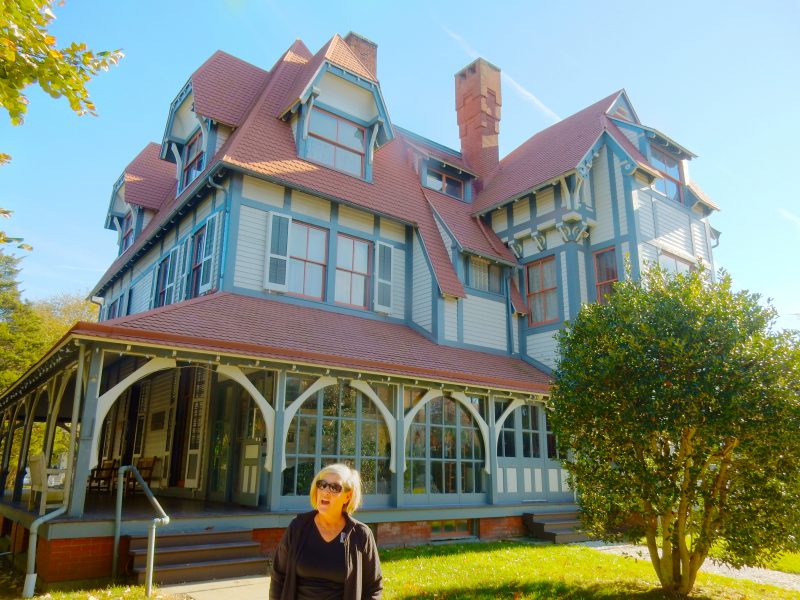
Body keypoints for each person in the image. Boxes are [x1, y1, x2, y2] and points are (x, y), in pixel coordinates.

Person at [269, 463, 383, 600]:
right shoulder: (298, 527)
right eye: (322, 484)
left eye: (335, 487)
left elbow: (373, 587)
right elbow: (278, 576)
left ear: (348, 496)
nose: (325, 491)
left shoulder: (361, 534)